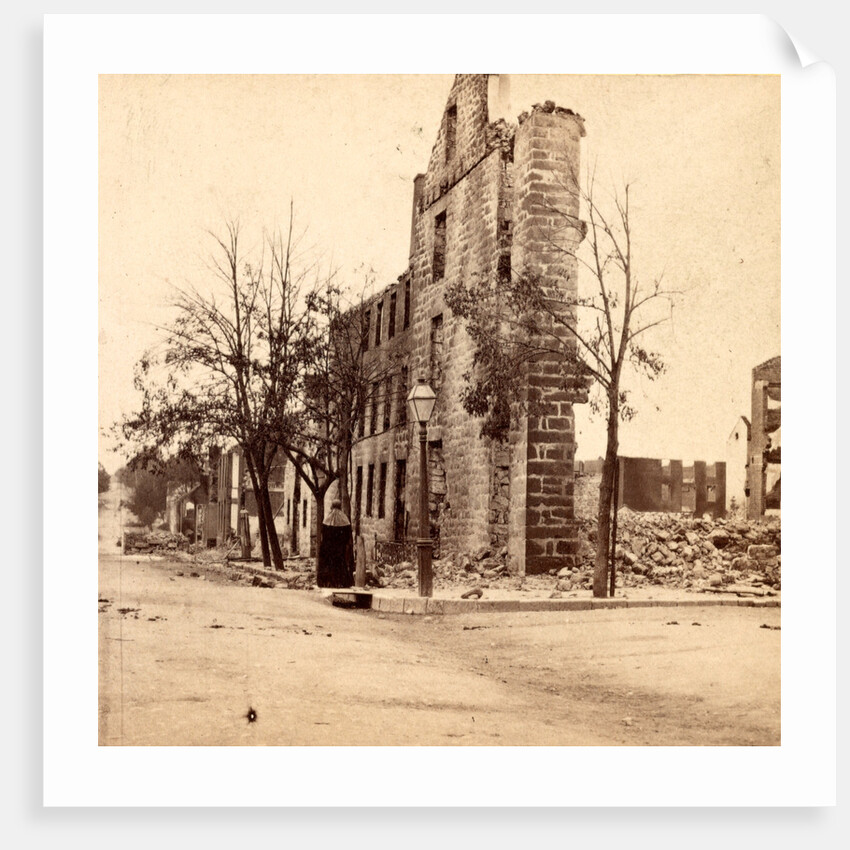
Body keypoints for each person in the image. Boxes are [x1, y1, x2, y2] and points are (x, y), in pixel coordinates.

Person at [317, 500, 355, 588]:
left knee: (329, 565)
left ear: (332, 506)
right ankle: (340, 583)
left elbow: (323, 534)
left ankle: (328, 583)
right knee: (339, 564)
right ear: (340, 506)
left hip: (328, 548)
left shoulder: (327, 519)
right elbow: (348, 536)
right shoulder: (345, 519)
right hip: (340, 548)